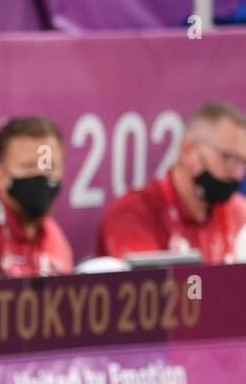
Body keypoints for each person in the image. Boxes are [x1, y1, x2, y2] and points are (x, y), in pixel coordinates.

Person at [97, 100, 246, 264]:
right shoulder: (132, 213)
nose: (238, 174)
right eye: (230, 160)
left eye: (243, 163)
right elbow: (148, 286)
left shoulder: (237, 212)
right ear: (189, 152)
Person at [0, 115, 73, 277]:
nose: (40, 176)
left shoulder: (56, 238)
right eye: (28, 167)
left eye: (49, 167)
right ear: (0, 175)